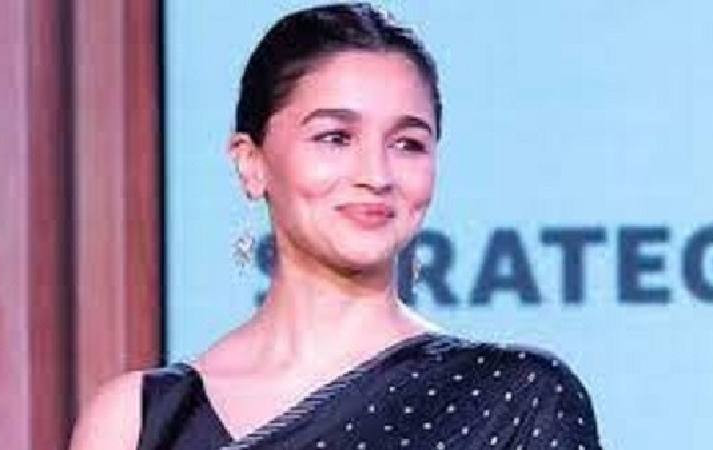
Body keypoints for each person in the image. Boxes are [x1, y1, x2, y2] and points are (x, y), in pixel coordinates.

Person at [70, 3, 602, 449]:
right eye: (335, 138)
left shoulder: (516, 401)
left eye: (408, 144)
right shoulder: (139, 420)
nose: (376, 175)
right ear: (251, 163)